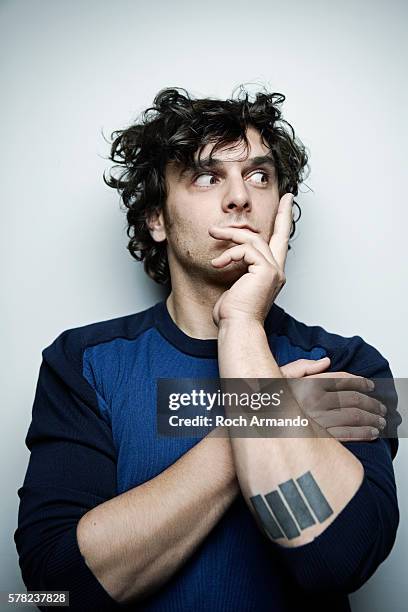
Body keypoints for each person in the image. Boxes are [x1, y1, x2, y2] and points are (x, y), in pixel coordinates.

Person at [15, 87, 400, 612]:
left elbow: (337, 560)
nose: (240, 197)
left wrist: (241, 322)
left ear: (281, 209)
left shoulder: (354, 363)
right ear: (156, 220)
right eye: (206, 175)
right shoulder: (79, 362)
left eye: (260, 176)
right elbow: (53, 590)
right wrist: (267, 417)